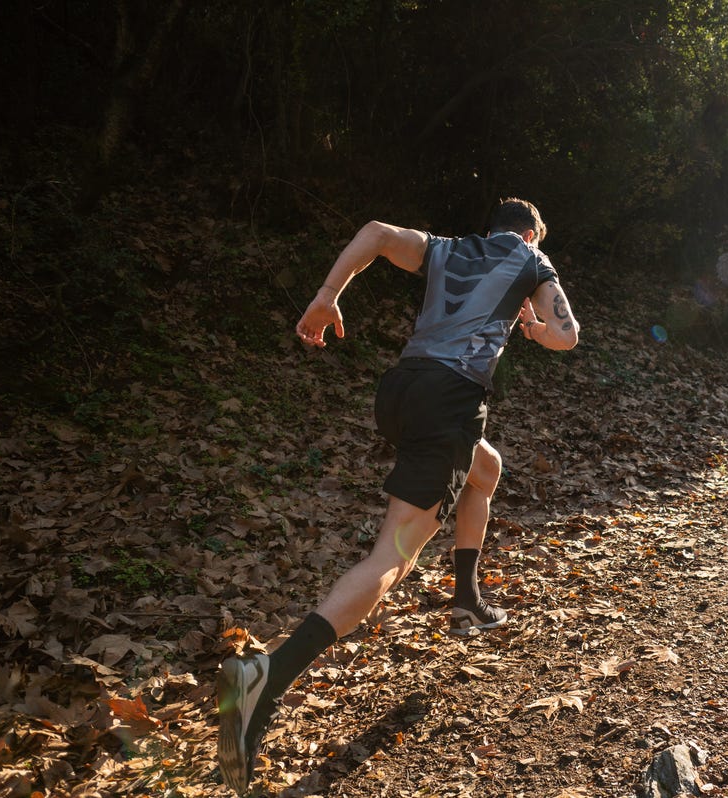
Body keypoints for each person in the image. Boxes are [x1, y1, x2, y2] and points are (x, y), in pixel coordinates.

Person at [215, 198, 580, 793]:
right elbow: (567, 336)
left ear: (491, 226)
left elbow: (379, 233)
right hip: (450, 398)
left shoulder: (448, 248)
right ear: (533, 231)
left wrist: (328, 294)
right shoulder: (533, 261)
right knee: (394, 555)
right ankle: (266, 676)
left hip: (402, 391)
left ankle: (465, 598)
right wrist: (539, 327)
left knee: (484, 470)